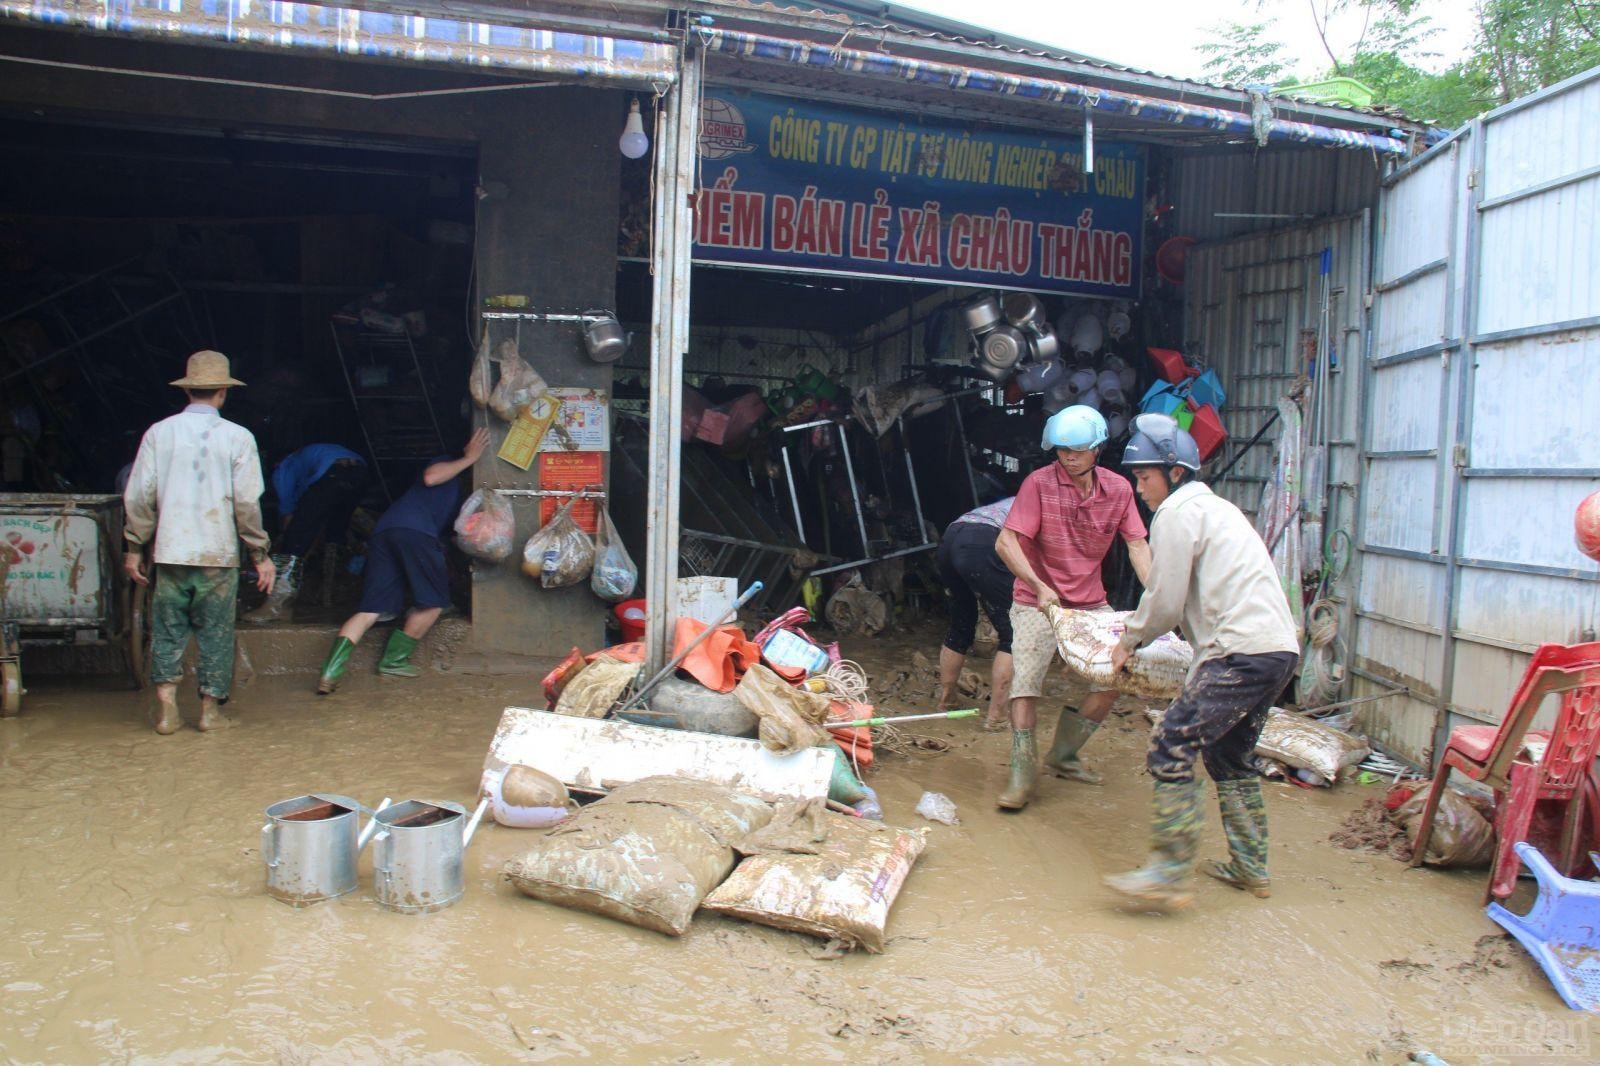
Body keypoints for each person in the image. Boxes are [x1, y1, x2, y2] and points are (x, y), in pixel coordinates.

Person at [1104, 413, 1300, 911]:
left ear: (1174, 473)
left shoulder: (1177, 513)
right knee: (1229, 756)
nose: (1139, 487)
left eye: (1144, 476)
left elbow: (1165, 601)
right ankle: (1251, 867)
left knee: (1171, 741)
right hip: (1275, 651)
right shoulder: (1219, 510)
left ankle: (1168, 873)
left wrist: (1129, 639)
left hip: (1239, 650)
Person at [993, 405, 1152, 810]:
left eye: (1078, 450)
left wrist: (1158, 596)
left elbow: (1136, 544)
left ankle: (1063, 755)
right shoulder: (1039, 484)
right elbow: (1006, 543)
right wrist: (1038, 585)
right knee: (1025, 686)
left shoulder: (1117, 490)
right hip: (1035, 601)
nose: (1069, 457)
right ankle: (1021, 773)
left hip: (1091, 602)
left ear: (1098, 448)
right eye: (1063, 449)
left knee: (1115, 678)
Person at [123, 351, 276, 735]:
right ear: (223, 392)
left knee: (167, 630)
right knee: (216, 633)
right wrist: (259, 553)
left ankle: (167, 713)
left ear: (188, 390)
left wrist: (134, 547)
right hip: (217, 554)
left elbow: (139, 496)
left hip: (171, 550)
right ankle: (209, 714)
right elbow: (246, 503)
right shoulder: (239, 438)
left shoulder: (159, 433)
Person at [316, 428, 490, 694]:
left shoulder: (453, 495)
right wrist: (470, 458)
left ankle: (330, 671)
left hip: (387, 531)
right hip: (413, 532)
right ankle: (394, 661)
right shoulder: (444, 466)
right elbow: (431, 477)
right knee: (434, 603)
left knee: (369, 611)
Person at [244, 444, 368, 623]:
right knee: (335, 534)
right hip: (360, 474)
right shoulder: (311, 459)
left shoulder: (285, 466)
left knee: (295, 538)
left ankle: (276, 605)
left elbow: (288, 512)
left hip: (333, 473)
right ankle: (328, 596)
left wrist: (290, 538)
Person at [935, 496, 1016, 730]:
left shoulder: (1015, 500)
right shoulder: (1052, 505)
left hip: (952, 536)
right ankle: (997, 717)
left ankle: (947, 699)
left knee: (961, 623)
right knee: (1014, 633)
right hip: (981, 541)